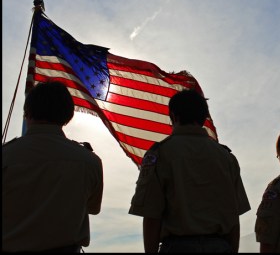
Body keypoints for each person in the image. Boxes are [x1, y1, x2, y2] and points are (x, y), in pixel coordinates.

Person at [128, 89, 251, 253]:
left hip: (178, 247)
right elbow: (234, 217)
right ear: (203, 118)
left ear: (173, 116)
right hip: (220, 246)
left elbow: (152, 215)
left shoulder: (161, 154)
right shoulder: (226, 157)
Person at [2, 81, 103, 253]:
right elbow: (93, 208)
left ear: (27, 113)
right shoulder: (89, 161)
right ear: (68, 115)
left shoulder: (6, 156)